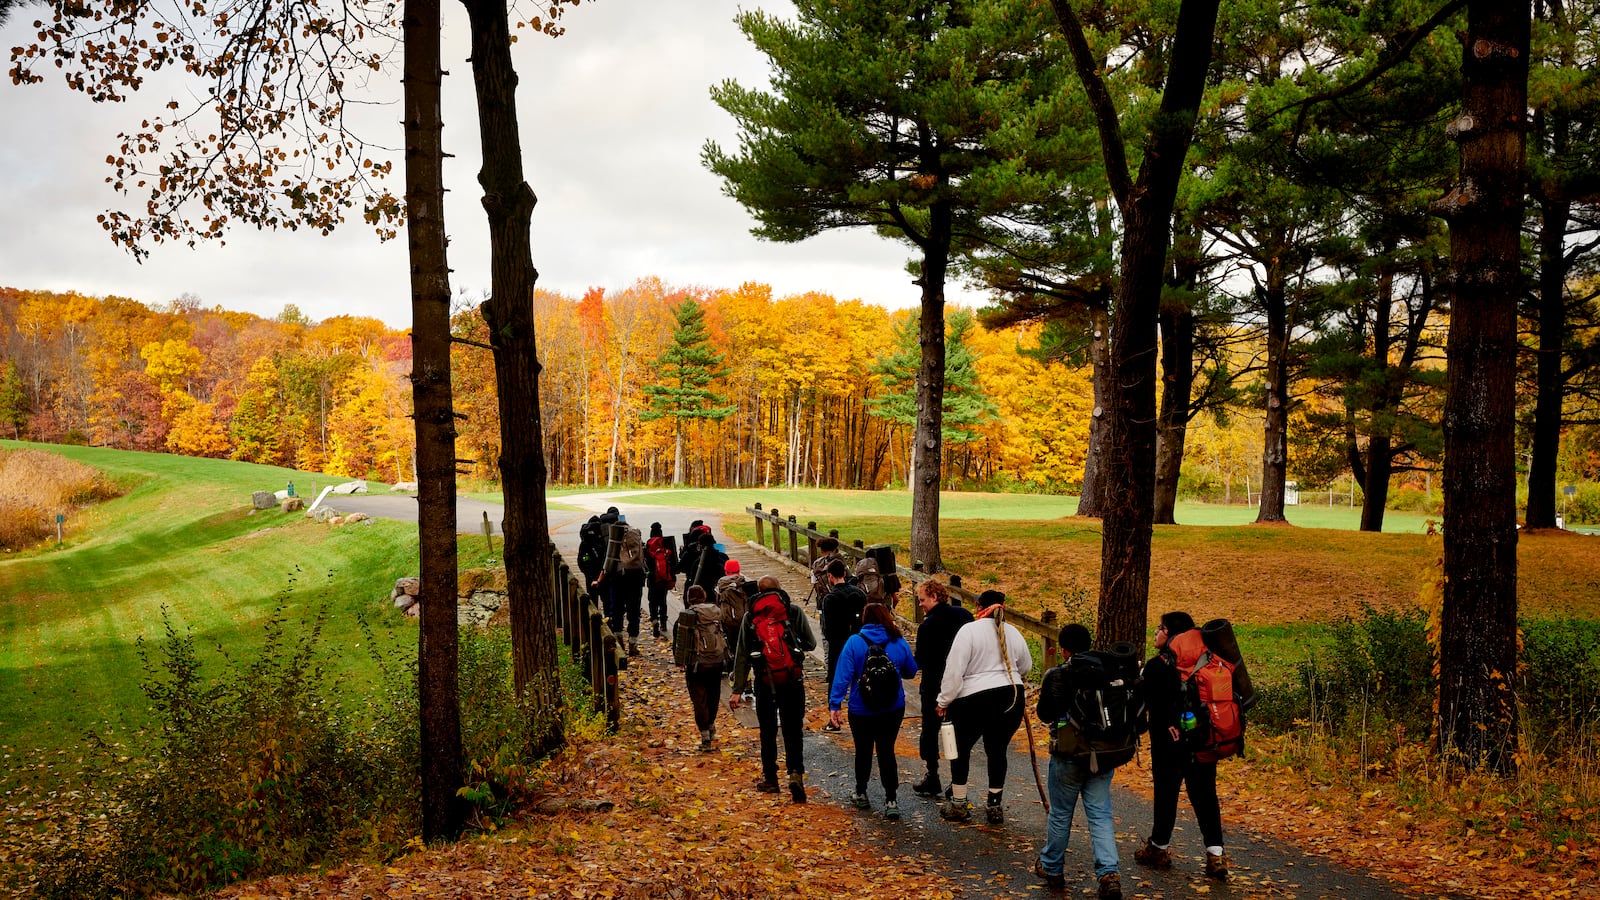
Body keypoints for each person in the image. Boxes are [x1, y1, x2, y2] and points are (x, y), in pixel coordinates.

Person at [1136, 611, 1228, 879]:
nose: (1156, 632)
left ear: (1172, 635)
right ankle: (1216, 856)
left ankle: (1158, 848)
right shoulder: (1209, 661)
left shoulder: (1155, 667)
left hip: (1167, 743)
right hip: (1202, 739)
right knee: (1206, 797)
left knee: (1166, 794)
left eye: (1161, 628)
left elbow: (1146, 705)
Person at [1034, 624, 1123, 899]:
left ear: (1064, 649)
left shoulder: (1059, 674)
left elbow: (1045, 714)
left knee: (1061, 814)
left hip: (1069, 754)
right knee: (1100, 814)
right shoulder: (1111, 670)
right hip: (1105, 753)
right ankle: (1109, 873)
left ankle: (1053, 868)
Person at [936, 589, 1033, 824]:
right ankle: (994, 805)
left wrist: (943, 700)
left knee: (961, 747)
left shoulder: (968, 631)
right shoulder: (1013, 632)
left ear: (978, 606)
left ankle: (959, 803)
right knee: (997, 749)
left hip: (974, 697)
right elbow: (1026, 666)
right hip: (1011, 695)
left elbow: (954, 670)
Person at [730, 575, 817, 803]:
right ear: (779, 589)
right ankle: (795, 773)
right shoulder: (793, 611)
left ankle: (770, 778)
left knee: (767, 730)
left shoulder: (751, 616)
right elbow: (811, 644)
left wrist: (738, 689)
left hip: (765, 681)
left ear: (758, 591)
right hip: (792, 680)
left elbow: (742, 654)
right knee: (793, 729)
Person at [828, 603, 918, 819]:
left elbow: (842, 676)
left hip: (861, 708)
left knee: (863, 750)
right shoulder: (897, 640)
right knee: (887, 751)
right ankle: (891, 799)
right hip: (892, 707)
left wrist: (835, 704)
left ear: (864, 619)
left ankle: (861, 792)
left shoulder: (854, 642)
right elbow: (912, 671)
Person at [910, 578, 973, 798]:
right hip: (964, 685)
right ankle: (957, 782)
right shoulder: (964, 616)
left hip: (935, 686)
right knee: (958, 734)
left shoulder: (928, 626)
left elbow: (922, 661)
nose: (920, 604)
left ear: (934, 597)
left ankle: (933, 774)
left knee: (930, 731)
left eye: (922, 600)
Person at [673, 584, 729, 751]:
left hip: (696, 663)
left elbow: (679, 642)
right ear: (704, 597)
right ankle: (711, 723)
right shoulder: (715, 613)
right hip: (717, 660)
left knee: (699, 698)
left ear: (689, 599)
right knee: (714, 693)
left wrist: (680, 662)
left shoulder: (687, 616)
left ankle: (704, 733)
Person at [818, 558, 867, 732]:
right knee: (861, 678)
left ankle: (834, 718)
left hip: (839, 644)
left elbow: (828, 629)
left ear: (830, 576)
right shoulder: (859, 593)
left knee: (836, 680)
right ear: (845, 573)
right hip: (860, 642)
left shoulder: (830, 599)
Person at [644, 522, 678, 640]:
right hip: (663, 579)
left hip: (653, 578)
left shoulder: (648, 546)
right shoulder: (666, 544)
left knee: (652, 601)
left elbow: (645, 563)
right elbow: (673, 563)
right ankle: (664, 621)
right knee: (662, 600)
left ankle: (654, 621)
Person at [688, 529, 728, 599]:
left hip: (703, 596)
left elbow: (693, 579)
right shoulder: (723, 557)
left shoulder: (698, 563)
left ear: (700, 546)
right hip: (720, 594)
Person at [807, 536, 841, 606]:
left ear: (822, 550)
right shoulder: (840, 562)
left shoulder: (816, 563)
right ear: (834, 550)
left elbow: (814, 582)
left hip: (824, 599)